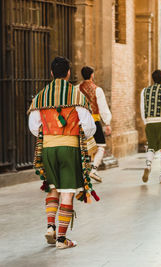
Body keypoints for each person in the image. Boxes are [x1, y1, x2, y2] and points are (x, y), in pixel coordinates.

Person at [28, 57, 97, 249]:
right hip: (70, 148)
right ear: (68, 73)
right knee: (67, 191)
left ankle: (50, 226)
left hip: (48, 148)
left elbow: (34, 127)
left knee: (52, 187)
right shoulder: (76, 95)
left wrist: (49, 133)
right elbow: (89, 127)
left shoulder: (40, 97)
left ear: (51, 73)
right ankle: (61, 239)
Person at [140, 69, 161, 184]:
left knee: (151, 147)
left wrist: (146, 121)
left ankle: (148, 165)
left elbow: (142, 108)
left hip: (150, 122)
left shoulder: (144, 91)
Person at [79, 66, 112, 183]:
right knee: (101, 146)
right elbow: (103, 107)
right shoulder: (97, 89)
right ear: (92, 75)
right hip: (94, 121)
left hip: (80, 122)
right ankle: (93, 170)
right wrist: (107, 123)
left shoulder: (76, 88)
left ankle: (83, 173)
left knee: (83, 147)